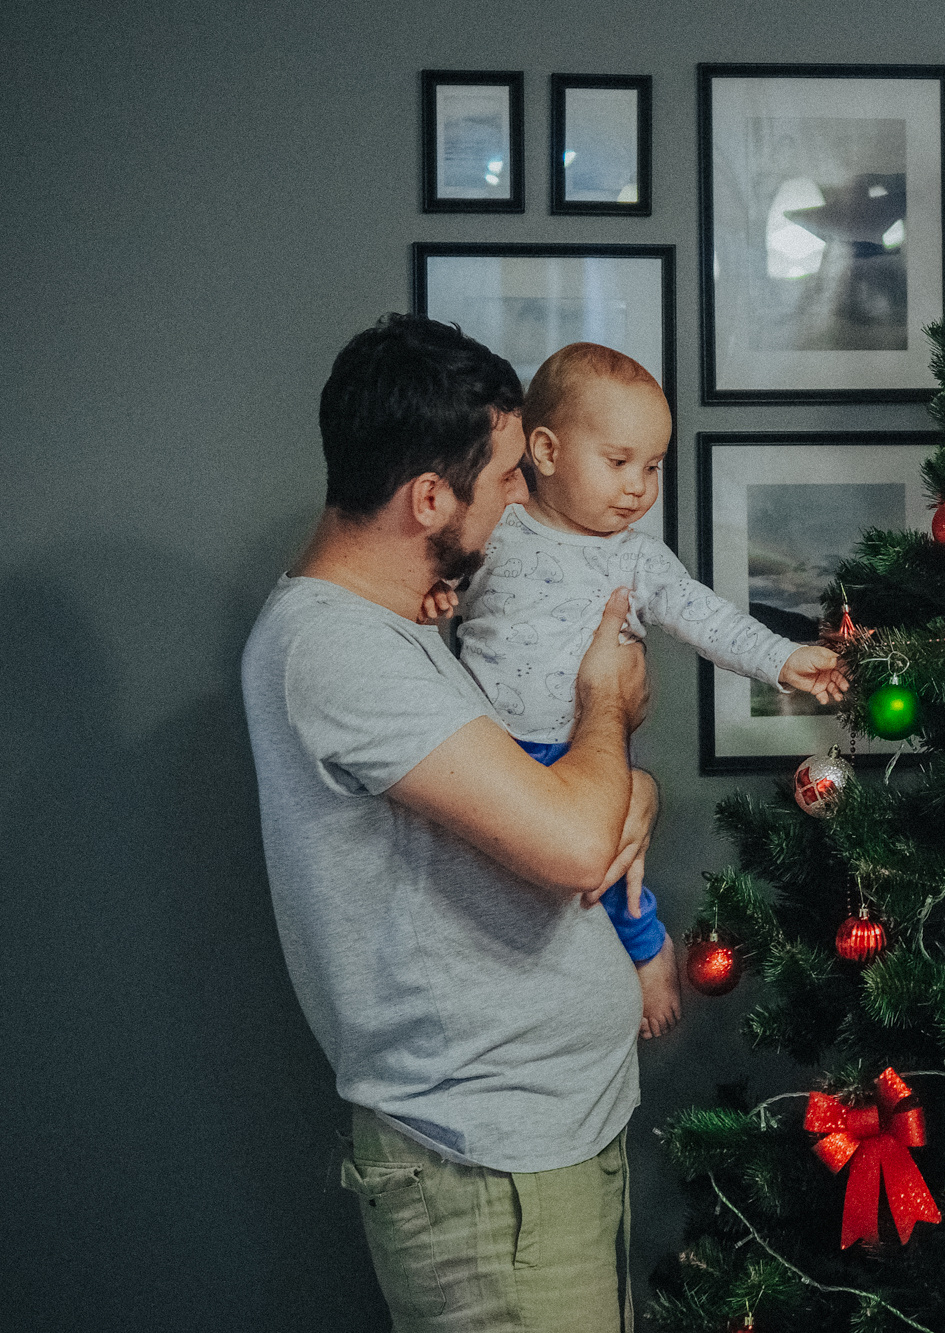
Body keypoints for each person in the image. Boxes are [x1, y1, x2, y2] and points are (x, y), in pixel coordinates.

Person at [242, 314, 658, 1331]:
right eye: (509, 476)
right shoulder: (337, 652)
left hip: (537, 1142)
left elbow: (551, 797)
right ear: (430, 497)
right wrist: (606, 700)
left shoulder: (408, 621)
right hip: (487, 1168)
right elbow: (567, 843)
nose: (523, 499)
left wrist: (631, 796)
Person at [438, 342, 849, 1039]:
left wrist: (784, 659)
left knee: (618, 882)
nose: (638, 486)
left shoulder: (638, 558)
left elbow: (708, 618)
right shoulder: (495, 530)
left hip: (585, 759)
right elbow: (440, 588)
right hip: (488, 754)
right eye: (619, 461)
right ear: (545, 450)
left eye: (652, 467)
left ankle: (649, 951)